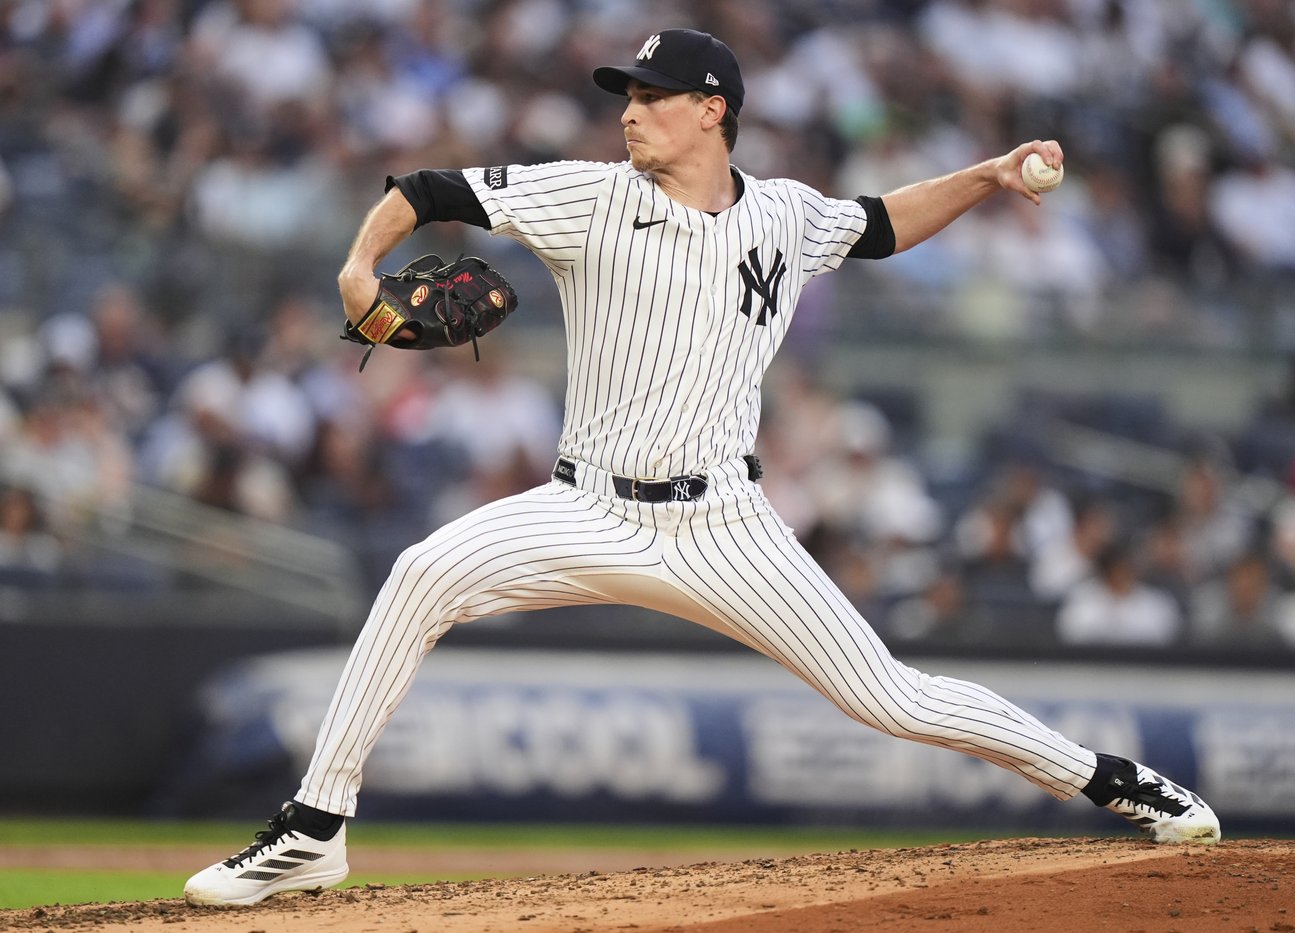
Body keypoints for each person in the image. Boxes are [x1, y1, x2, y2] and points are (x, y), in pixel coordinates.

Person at [184, 28, 1220, 907]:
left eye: (652, 97)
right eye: (625, 96)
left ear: (712, 110)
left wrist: (988, 177)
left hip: (726, 525)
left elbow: (879, 223)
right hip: (585, 506)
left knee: (889, 698)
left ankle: (1110, 781)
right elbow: (424, 189)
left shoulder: (780, 213)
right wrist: (361, 264)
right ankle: (314, 832)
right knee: (419, 575)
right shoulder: (587, 196)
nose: (629, 112)